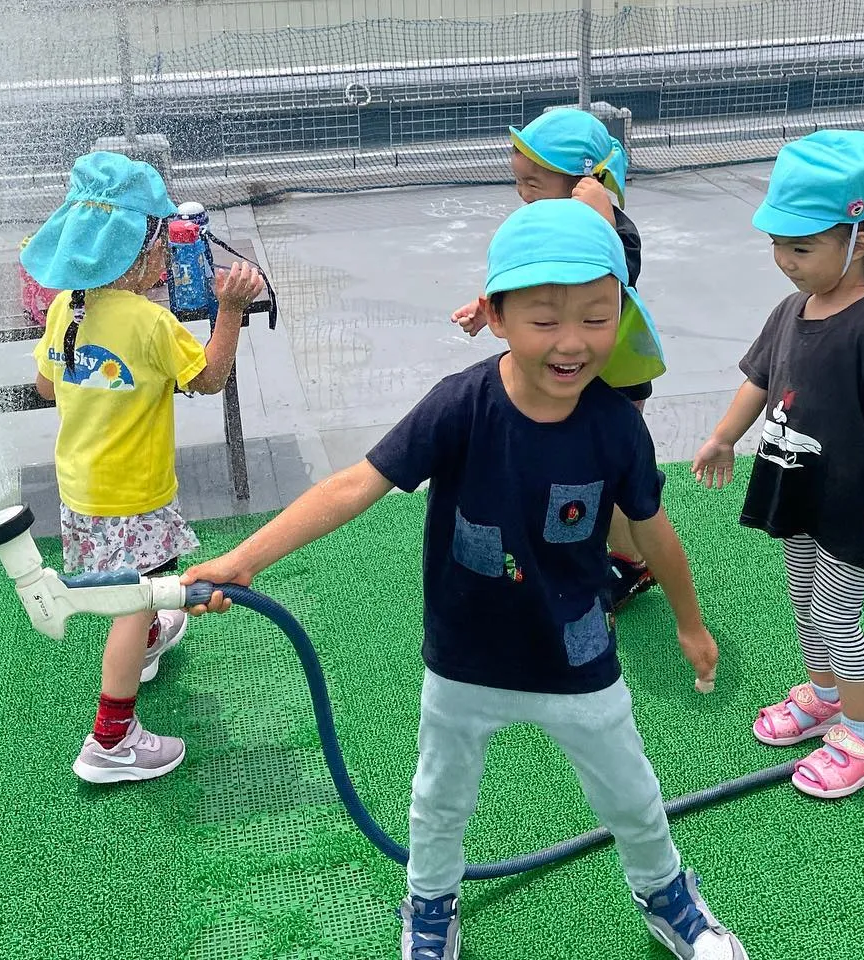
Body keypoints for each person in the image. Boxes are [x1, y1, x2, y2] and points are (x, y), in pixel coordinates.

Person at [187, 200, 745, 960]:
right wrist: (245, 558)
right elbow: (358, 483)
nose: (574, 341)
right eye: (545, 319)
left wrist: (690, 622)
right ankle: (430, 906)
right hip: (467, 659)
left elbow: (652, 530)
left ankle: (665, 895)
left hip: (577, 656)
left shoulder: (616, 425)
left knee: (632, 795)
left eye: (596, 315)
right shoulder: (461, 406)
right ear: (496, 315)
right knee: (439, 800)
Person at [691, 130, 864, 800]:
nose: (785, 261)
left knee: (837, 619)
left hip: (848, 500)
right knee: (803, 604)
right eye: (777, 245)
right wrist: (724, 436)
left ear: (860, 240)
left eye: (801, 247)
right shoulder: (792, 310)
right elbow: (759, 379)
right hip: (796, 486)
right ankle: (824, 696)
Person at [23, 152, 262, 784]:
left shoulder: (66, 306)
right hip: (133, 492)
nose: (165, 255)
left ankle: (151, 636)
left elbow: (47, 389)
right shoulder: (150, 321)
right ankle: (111, 740)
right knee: (131, 601)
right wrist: (229, 309)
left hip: (82, 487)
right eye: (160, 238)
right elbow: (209, 379)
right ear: (137, 251)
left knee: (139, 584)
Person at [451, 108, 660, 610]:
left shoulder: (612, 229)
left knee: (610, 481)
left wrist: (600, 217)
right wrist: (489, 309)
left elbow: (621, 278)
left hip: (609, 381)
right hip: (561, 380)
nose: (523, 193)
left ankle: (632, 562)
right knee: (565, 473)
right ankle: (575, 549)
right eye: (518, 181)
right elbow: (523, 282)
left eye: (534, 182)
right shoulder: (538, 224)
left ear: (582, 183)